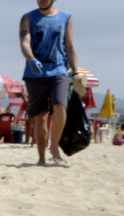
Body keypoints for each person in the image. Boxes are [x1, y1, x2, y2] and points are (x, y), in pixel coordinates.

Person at [19, 0, 80, 166]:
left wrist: (75, 71)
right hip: (34, 73)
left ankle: (54, 148)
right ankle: (41, 157)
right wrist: (31, 59)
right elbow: (24, 42)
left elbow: (70, 45)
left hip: (59, 70)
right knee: (40, 117)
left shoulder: (66, 17)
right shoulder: (28, 18)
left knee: (60, 105)